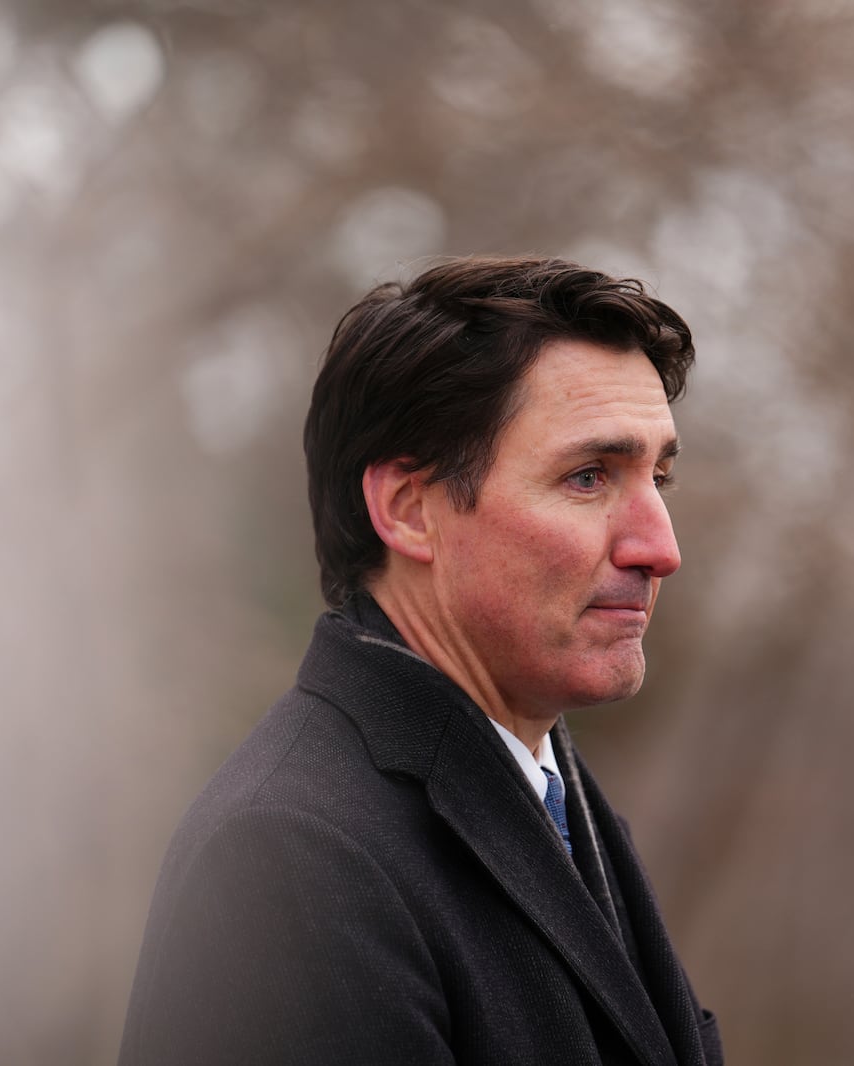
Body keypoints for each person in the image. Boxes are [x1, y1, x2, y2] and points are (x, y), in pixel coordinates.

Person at [117, 256, 723, 1065]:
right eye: (588, 477)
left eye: (660, 477)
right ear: (407, 510)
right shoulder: (294, 856)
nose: (661, 547)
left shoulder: (549, 791)